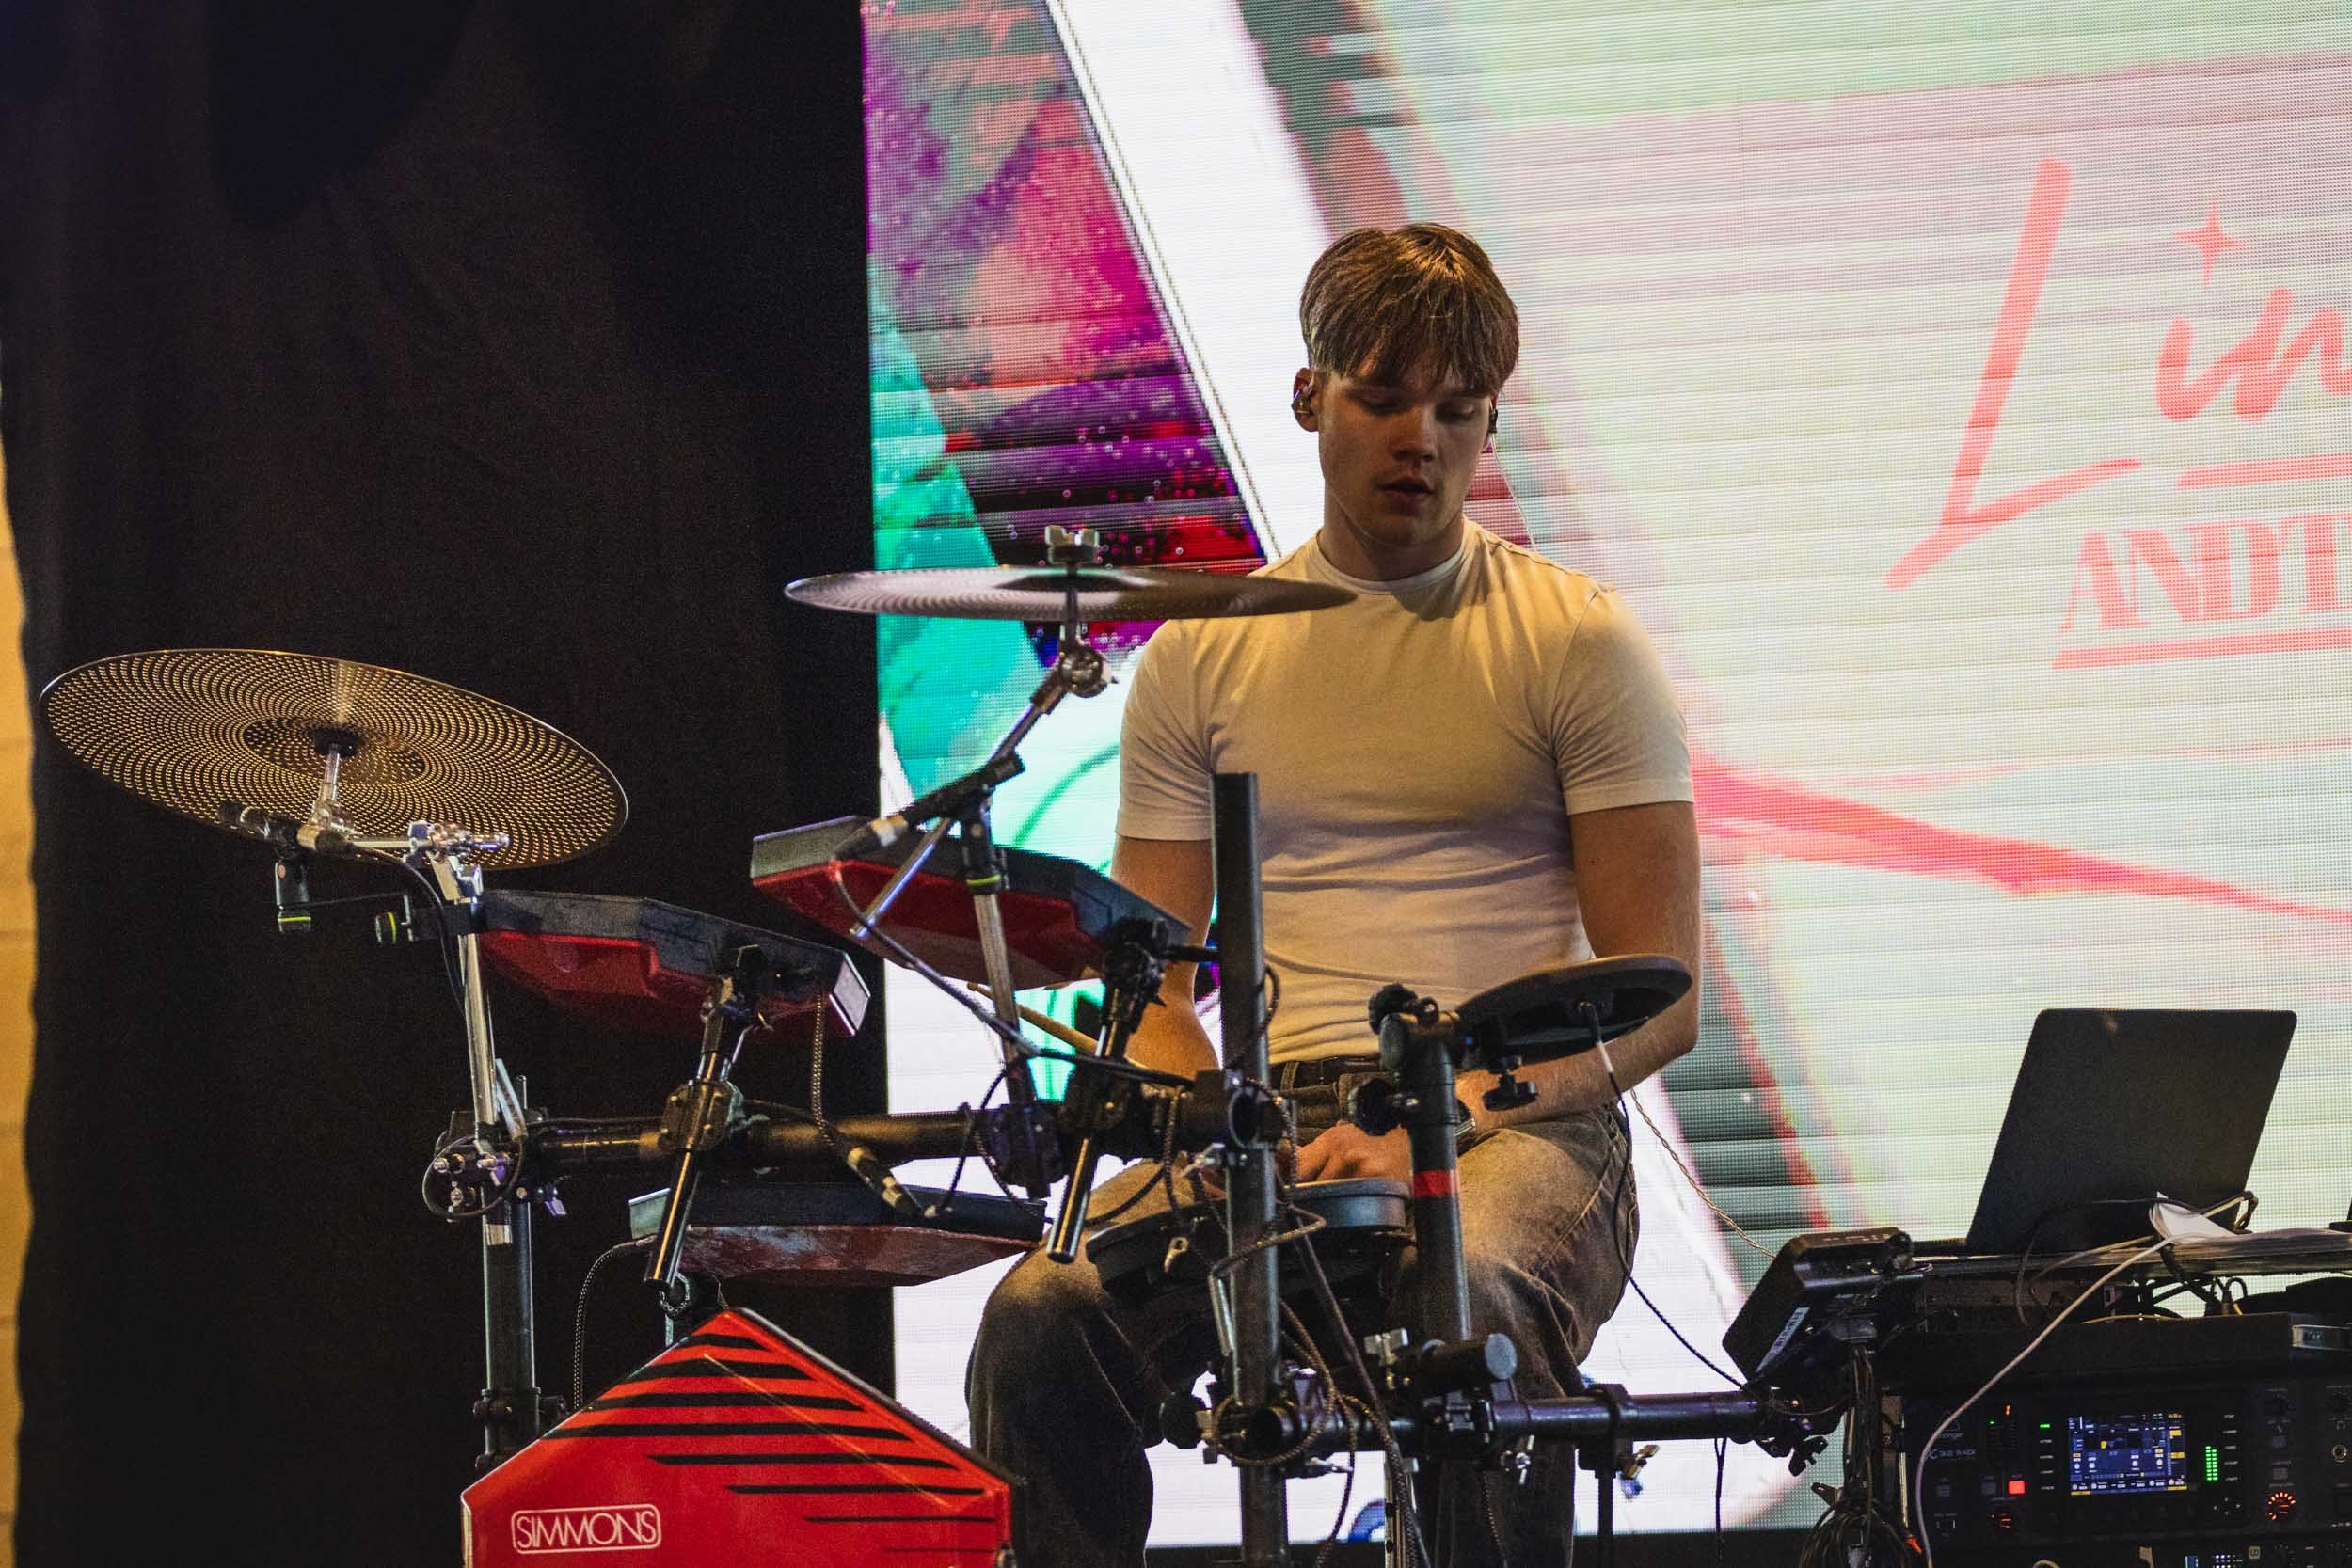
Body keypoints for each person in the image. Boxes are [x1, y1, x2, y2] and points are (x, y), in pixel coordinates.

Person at [967, 223, 1701, 1568]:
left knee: (1464, 1291)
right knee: (1040, 1312)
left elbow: (1665, 1000)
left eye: (1457, 410)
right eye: (1382, 397)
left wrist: (1447, 1113)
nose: (1420, 437)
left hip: (1519, 1123)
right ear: (1310, 396)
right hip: (1275, 1131)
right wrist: (1216, 1128)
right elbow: (1149, 992)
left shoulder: (1578, 642)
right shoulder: (1200, 656)